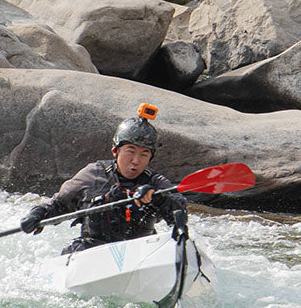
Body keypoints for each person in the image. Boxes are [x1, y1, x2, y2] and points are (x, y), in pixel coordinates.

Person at [19, 103, 188, 254]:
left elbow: (180, 210)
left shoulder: (155, 183)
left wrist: (158, 200)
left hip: (139, 252)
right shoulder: (93, 174)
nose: (136, 160)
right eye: (130, 151)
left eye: (144, 154)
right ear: (116, 151)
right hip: (93, 251)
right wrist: (36, 215)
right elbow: (58, 205)